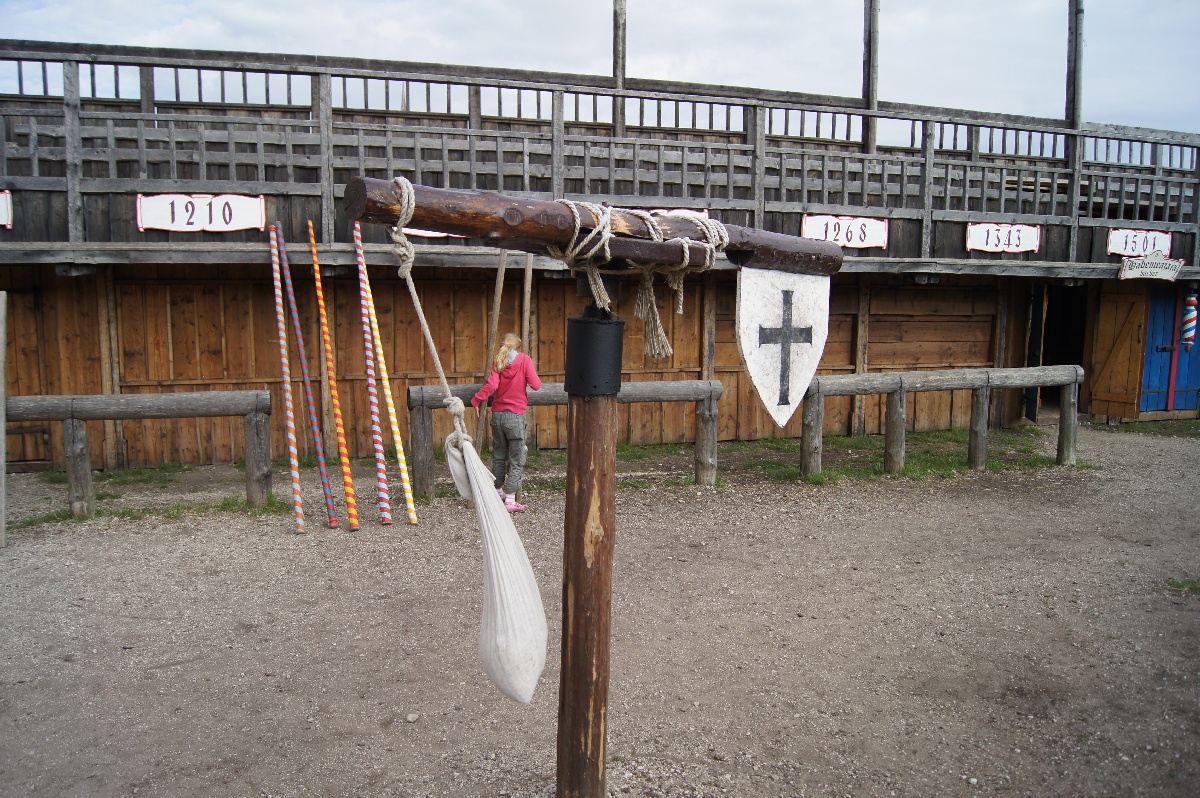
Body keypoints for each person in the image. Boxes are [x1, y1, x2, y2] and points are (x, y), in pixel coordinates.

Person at [471, 333, 541, 513]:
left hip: (497, 415)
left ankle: (497, 491)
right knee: (517, 459)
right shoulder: (524, 360)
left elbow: (492, 386)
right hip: (515, 416)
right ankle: (510, 500)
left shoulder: (498, 360)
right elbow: (536, 385)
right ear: (517, 347)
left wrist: (477, 400)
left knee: (499, 455)